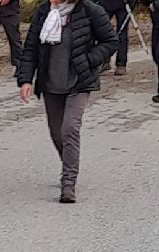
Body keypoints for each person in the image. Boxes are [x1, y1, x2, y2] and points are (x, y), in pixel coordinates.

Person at [15, 0, 116, 203]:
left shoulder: (91, 11)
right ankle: (67, 162)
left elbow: (111, 42)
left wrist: (89, 60)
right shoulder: (44, 11)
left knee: (70, 128)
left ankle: (68, 183)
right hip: (51, 82)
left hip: (79, 81)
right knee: (56, 132)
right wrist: (25, 79)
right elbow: (31, 48)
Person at [99, 0, 129, 75]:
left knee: (122, 33)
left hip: (124, 4)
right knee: (103, 31)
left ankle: (121, 64)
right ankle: (104, 61)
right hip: (105, 3)